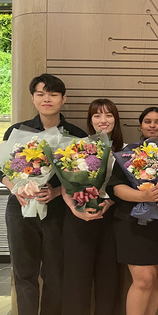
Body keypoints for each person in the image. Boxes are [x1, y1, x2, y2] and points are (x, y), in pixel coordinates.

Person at [1, 74, 88, 315]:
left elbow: (85, 178)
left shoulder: (75, 134)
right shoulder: (17, 131)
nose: (46, 99)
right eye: (40, 94)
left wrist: (58, 190)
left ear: (63, 99)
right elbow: (2, 170)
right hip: (20, 208)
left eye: (52, 94)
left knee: (55, 273)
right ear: (33, 98)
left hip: (58, 210)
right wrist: (15, 187)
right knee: (23, 271)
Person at [107, 107, 158, 315]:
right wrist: (143, 196)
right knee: (145, 278)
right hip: (132, 223)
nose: (153, 125)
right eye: (148, 121)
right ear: (141, 125)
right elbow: (115, 187)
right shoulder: (128, 153)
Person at [60, 99, 124, 315]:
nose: (103, 120)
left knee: (109, 279)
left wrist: (109, 202)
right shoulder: (77, 146)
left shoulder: (126, 151)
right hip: (78, 216)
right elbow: (64, 184)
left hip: (111, 218)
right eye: (97, 115)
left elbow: (126, 185)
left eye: (108, 115)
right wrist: (74, 208)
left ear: (116, 119)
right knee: (76, 278)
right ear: (90, 120)